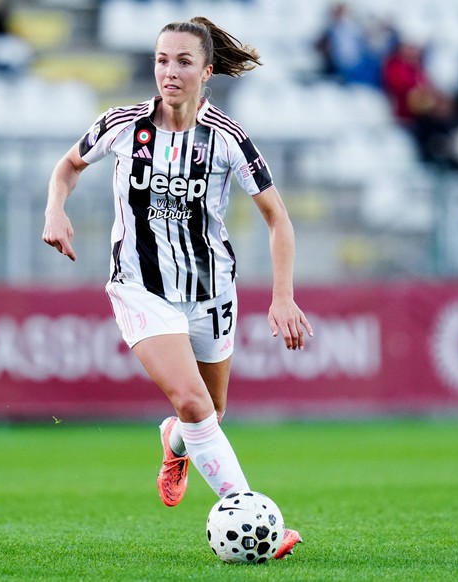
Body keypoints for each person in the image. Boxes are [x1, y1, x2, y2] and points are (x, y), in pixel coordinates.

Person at [42, 16, 312, 560]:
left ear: (207, 71)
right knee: (191, 401)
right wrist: (56, 208)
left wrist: (282, 296)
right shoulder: (121, 125)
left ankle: (174, 442)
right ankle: (251, 514)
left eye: (184, 61)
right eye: (162, 59)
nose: (170, 71)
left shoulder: (228, 138)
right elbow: (67, 167)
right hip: (140, 287)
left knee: (209, 410)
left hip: (211, 291)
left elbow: (278, 219)